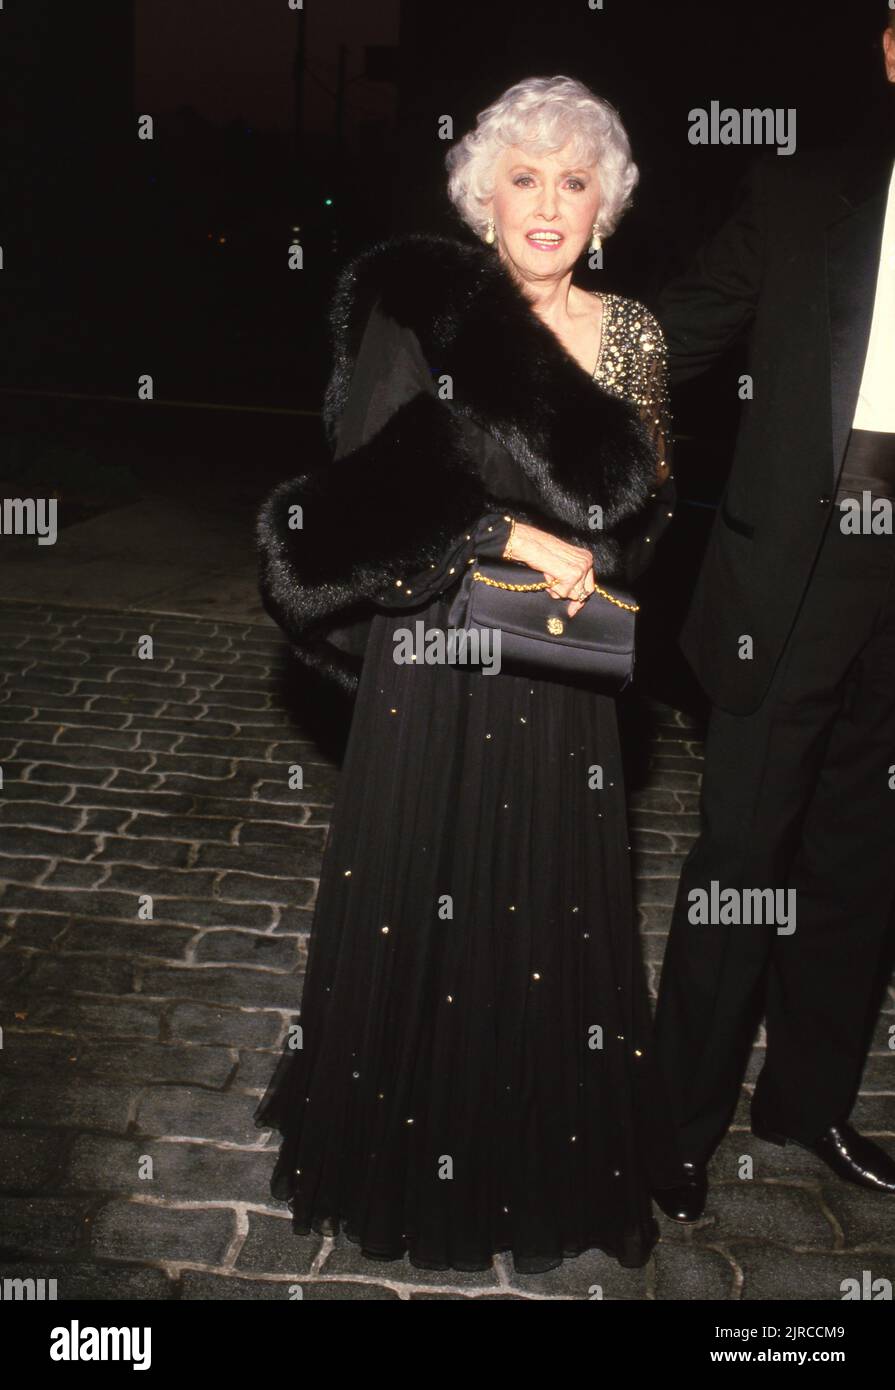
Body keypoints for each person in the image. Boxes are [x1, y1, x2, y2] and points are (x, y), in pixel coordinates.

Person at [253, 75, 680, 1273]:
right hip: (433, 656)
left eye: (574, 181)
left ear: (606, 205)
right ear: (480, 195)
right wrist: (506, 536)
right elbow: (350, 509)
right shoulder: (421, 310)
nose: (547, 204)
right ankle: (403, 1143)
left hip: (556, 672)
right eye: (524, 177)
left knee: (541, 907)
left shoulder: (633, 333)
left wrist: (589, 558)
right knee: (420, 883)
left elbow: (650, 516)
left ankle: (533, 1155)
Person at [651, 10, 895, 1223]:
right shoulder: (801, 189)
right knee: (743, 855)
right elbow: (677, 330)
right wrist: (529, 345)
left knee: (861, 859)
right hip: (796, 573)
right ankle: (672, 1129)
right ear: (894, 47)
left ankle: (807, 1105)